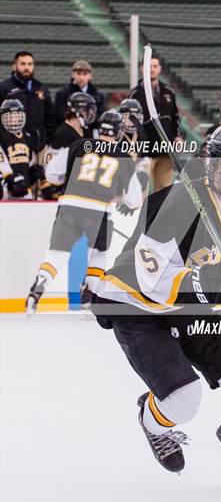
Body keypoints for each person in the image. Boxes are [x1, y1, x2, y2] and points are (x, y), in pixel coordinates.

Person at [91, 125, 221, 488]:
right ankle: (151, 418)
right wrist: (216, 288)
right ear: (211, 167)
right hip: (139, 309)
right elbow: (151, 281)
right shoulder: (172, 204)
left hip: (193, 310)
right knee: (184, 400)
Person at [25, 110, 143, 313]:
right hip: (98, 209)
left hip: (69, 204)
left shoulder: (80, 144)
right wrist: (119, 196)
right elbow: (134, 200)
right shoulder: (123, 156)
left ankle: (39, 285)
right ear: (118, 131)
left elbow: (52, 173)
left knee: (57, 253)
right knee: (100, 252)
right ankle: (88, 290)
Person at [129, 54, 181, 191]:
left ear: (160, 69)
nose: (151, 69)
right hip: (144, 150)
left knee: (164, 191)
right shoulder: (135, 94)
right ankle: (140, 213)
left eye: (155, 66)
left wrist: (177, 136)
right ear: (141, 69)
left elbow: (175, 116)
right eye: (148, 66)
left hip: (165, 150)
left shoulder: (169, 92)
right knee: (141, 190)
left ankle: (161, 213)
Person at [41, 92, 98, 200]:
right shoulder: (62, 133)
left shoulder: (86, 131)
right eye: (86, 110)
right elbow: (49, 163)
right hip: (65, 188)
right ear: (77, 111)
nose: (89, 113)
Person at [0, 51, 55, 151]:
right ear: (14, 66)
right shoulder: (4, 88)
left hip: (39, 148)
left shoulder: (42, 89)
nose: (26, 67)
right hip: (12, 147)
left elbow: (50, 118)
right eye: (23, 64)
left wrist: (46, 140)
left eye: (30, 64)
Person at [0, 99, 44, 199]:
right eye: (11, 115)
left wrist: (33, 170)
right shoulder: (2, 136)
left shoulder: (28, 137)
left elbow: (30, 159)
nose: (14, 118)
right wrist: (9, 178)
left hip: (24, 187)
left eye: (17, 115)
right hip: (7, 187)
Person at [117, 98, 150, 205]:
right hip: (115, 170)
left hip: (132, 171)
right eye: (128, 117)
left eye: (135, 118)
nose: (132, 121)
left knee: (144, 177)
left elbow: (144, 161)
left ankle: (141, 206)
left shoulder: (141, 135)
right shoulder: (117, 134)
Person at [54, 60, 105, 127]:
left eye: (85, 74)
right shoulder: (63, 93)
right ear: (73, 75)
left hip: (90, 132)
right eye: (78, 73)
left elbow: (100, 116)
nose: (81, 78)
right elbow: (60, 115)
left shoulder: (98, 95)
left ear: (90, 76)